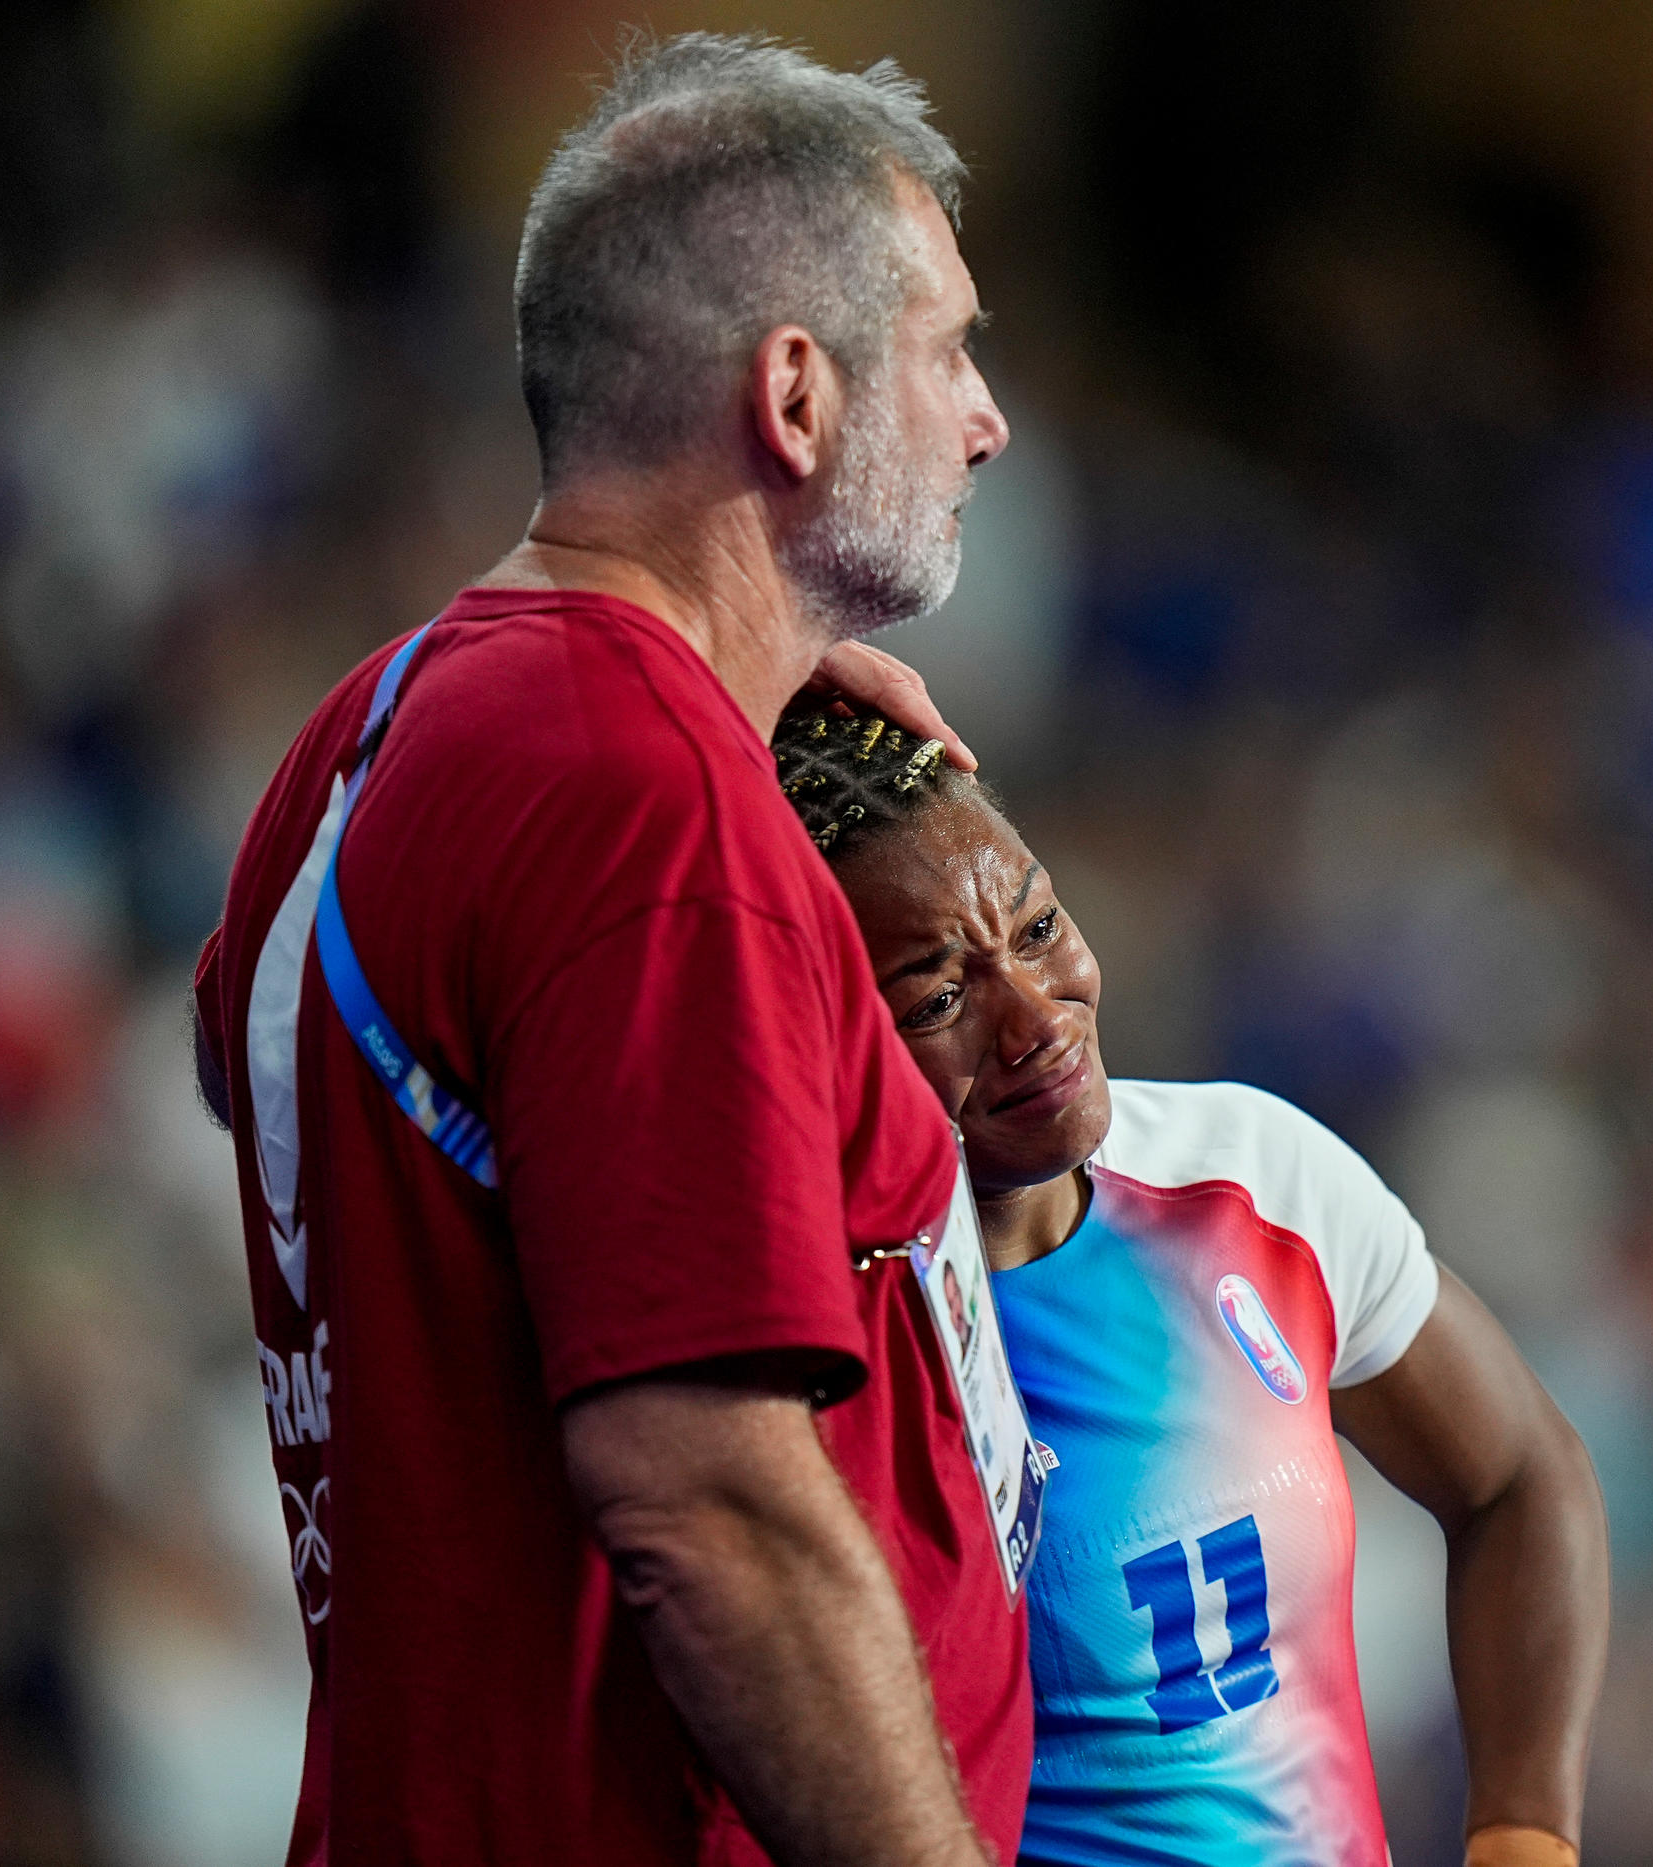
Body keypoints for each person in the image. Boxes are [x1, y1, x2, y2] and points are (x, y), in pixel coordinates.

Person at [192, 36, 1038, 1867]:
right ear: (795, 397)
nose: (986, 418)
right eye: (953, 348)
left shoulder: (385, 721)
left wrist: (737, 702)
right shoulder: (639, 807)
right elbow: (710, 1504)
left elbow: (283, 1087)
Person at [771, 710, 1613, 1867]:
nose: (1034, 1019)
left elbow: (1521, 1475)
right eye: (936, 1000)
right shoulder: (799, 1352)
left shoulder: (1253, 1178)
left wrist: (1522, 1836)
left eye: (1038, 925)